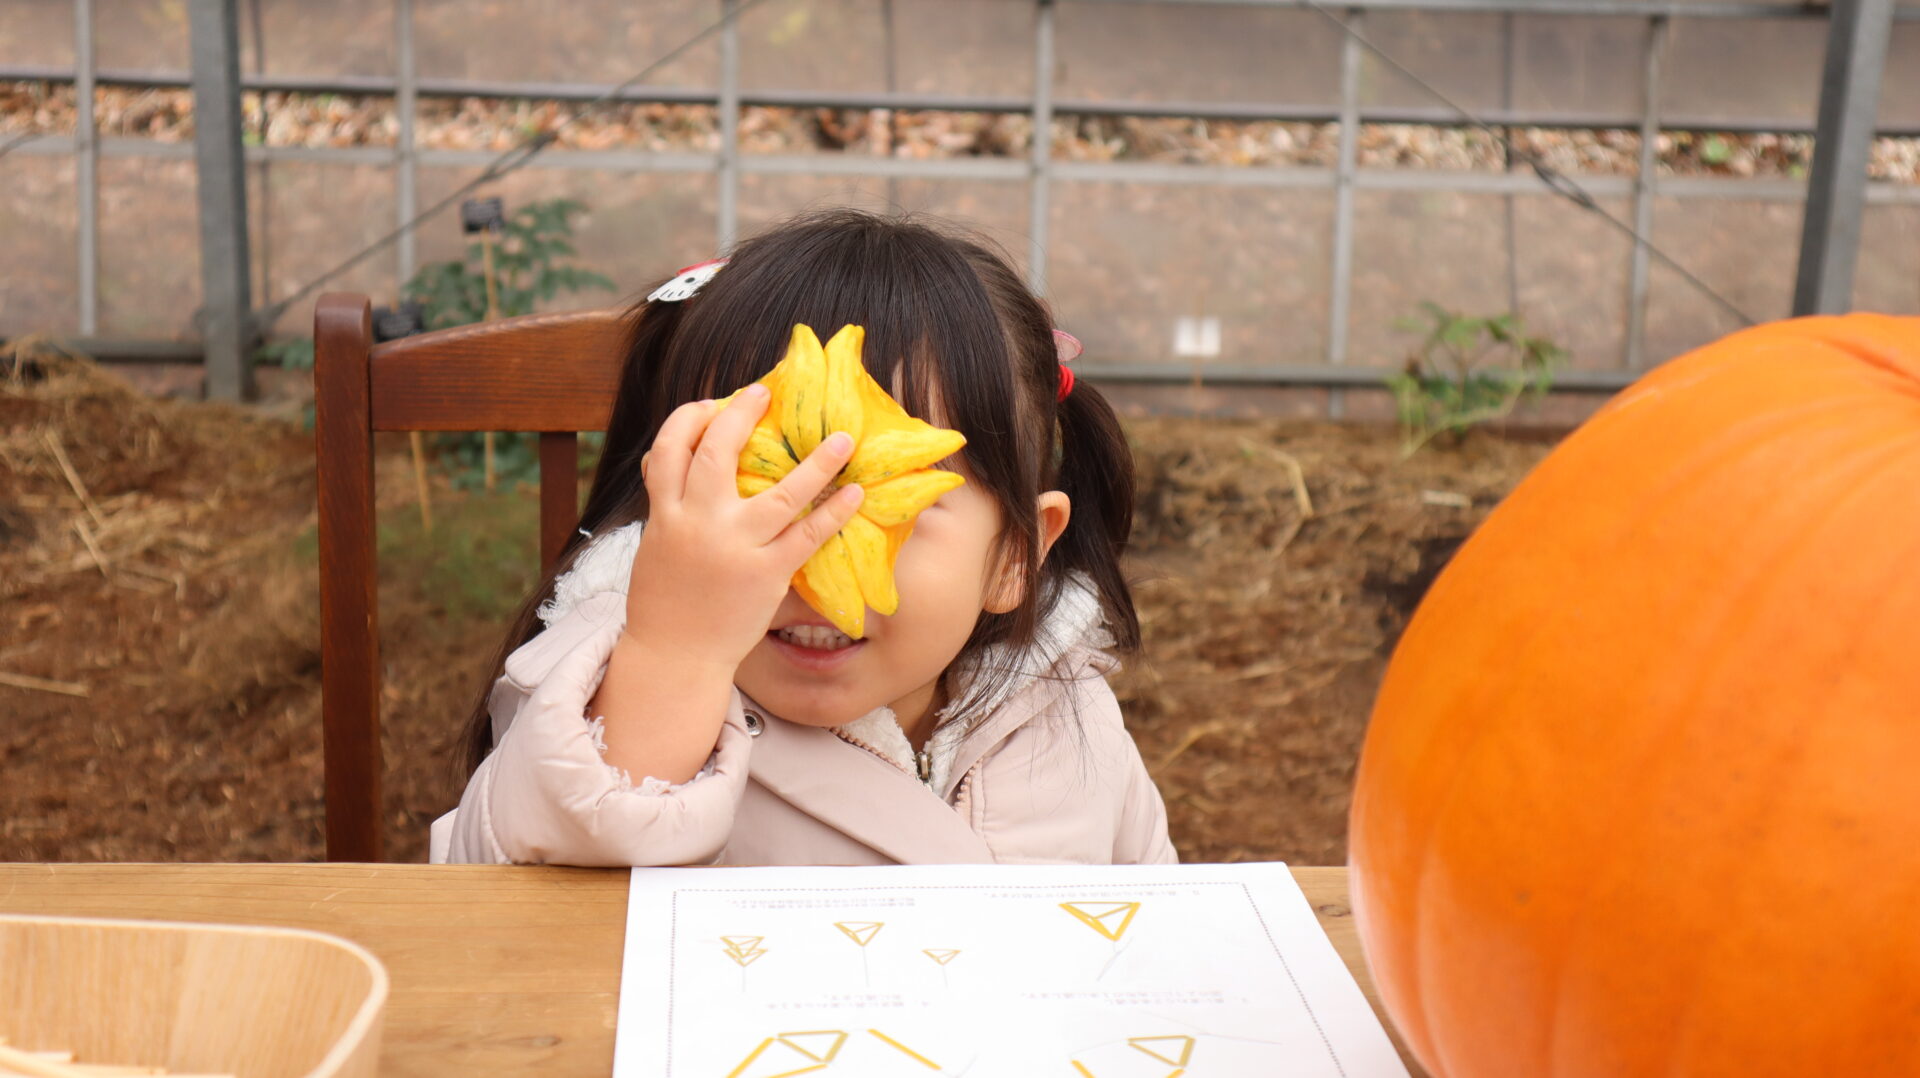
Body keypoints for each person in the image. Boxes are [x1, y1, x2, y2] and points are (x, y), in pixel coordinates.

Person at [432, 209, 1176, 866]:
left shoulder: (1067, 707)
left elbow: (1166, 925)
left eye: (882, 500)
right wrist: (674, 651)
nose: (811, 564)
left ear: (1015, 556)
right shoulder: (610, 670)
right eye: (760, 490)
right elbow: (499, 881)